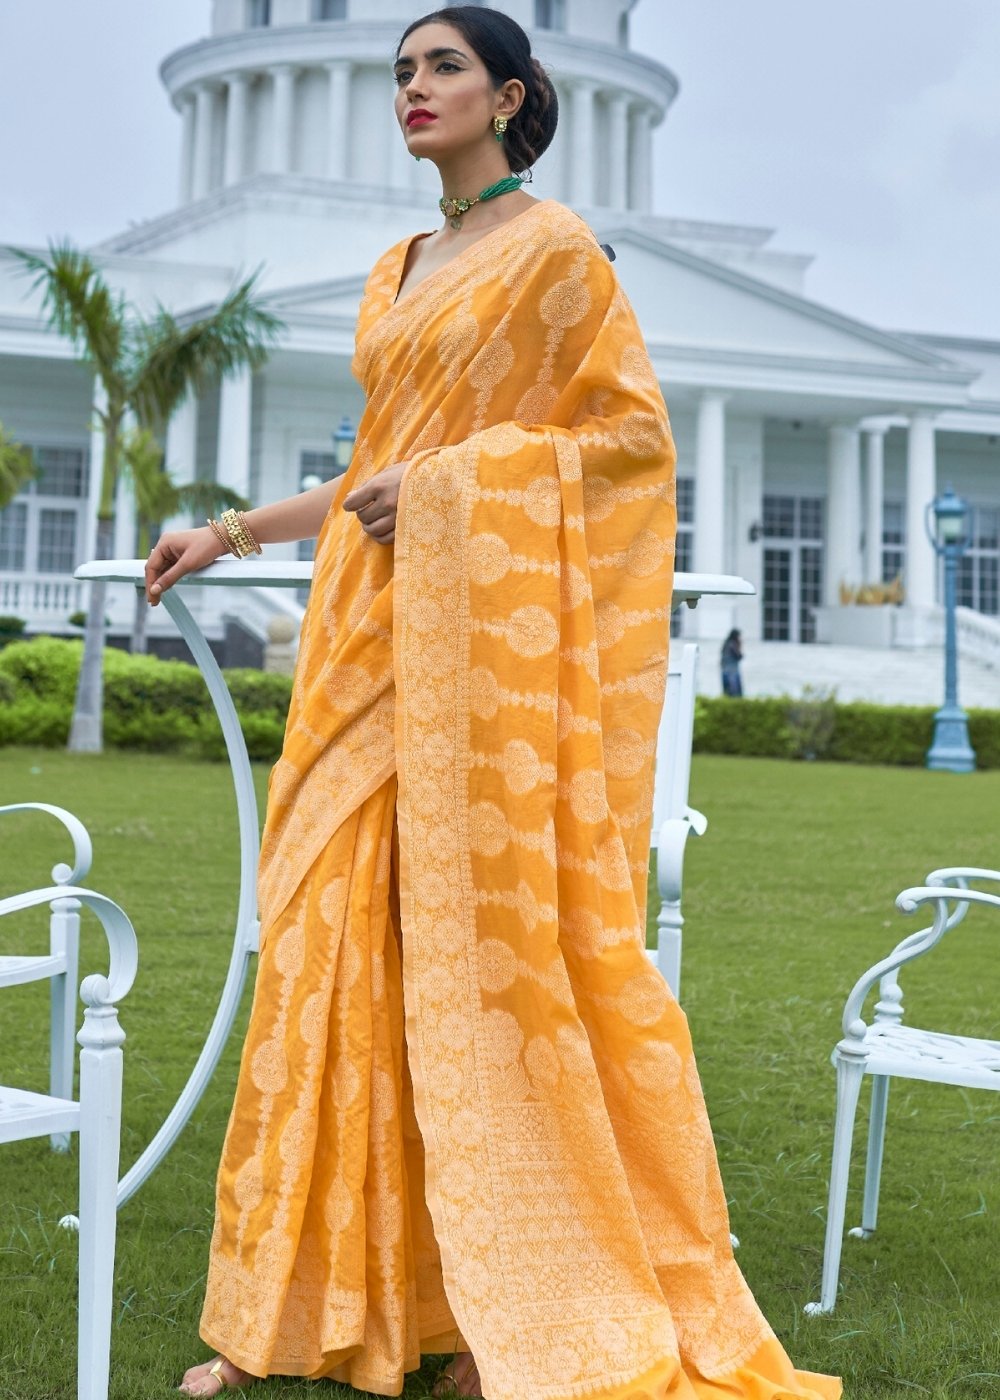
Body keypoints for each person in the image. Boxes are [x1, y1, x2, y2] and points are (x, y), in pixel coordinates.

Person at [144, 8, 841, 1399]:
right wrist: (229, 533)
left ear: (511, 96)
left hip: (486, 668)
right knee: (333, 947)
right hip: (365, 642)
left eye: (442, 67)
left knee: (495, 958)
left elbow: (629, 440)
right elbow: (376, 471)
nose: (413, 88)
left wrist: (470, 485)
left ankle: (520, 1299)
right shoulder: (398, 266)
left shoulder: (558, 252)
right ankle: (298, 1309)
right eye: (401, 70)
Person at [720, 629, 744, 697]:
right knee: (735, 693)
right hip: (732, 672)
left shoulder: (726, 643)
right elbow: (739, 656)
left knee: (727, 692)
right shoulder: (732, 644)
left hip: (725, 671)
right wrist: (740, 645)